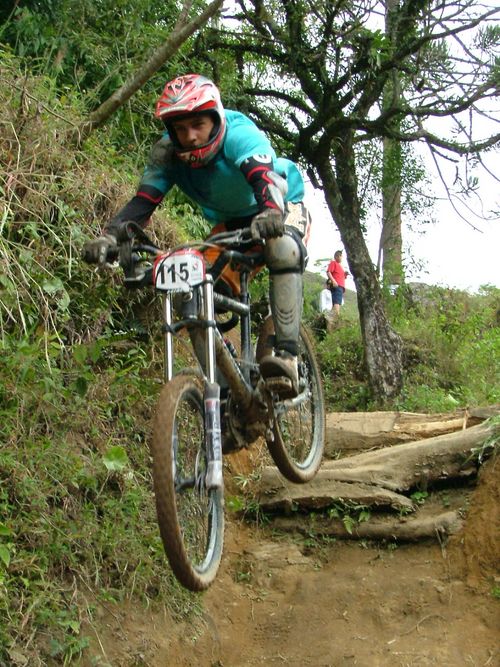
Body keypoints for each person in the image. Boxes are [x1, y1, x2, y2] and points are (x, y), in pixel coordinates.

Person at [82, 74, 311, 398]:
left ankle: (287, 355)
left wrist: (272, 213)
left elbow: (266, 180)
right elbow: (143, 203)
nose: (189, 137)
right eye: (180, 128)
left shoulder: (240, 134)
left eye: (198, 124)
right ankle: (228, 391)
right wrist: (109, 238)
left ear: (216, 118)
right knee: (189, 290)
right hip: (231, 223)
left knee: (282, 248)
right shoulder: (167, 154)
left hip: (280, 206)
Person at [326, 250, 349, 317]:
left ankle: (332, 318)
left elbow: (340, 277)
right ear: (337, 256)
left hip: (340, 286)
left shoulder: (340, 267)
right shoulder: (333, 263)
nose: (341, 257)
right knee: (337, 302)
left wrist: (345, 275)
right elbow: (328, 272)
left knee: (336, 302)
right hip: (337, 286)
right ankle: (337, 318)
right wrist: (333, 281)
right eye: (341, 256)